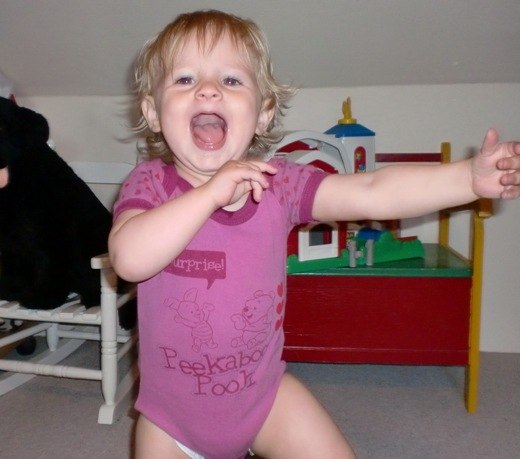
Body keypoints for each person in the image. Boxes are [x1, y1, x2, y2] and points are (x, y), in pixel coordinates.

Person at [109, 9, 520, 459]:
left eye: (230, 80)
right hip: (171, 422)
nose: (208, 89)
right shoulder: (149, 184)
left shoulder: (279, 183)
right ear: (153, 112)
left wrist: (466, 179)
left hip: (264, 402)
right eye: (185, 79)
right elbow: (129, 259)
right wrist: (208, 195)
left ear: (263, 113)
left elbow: (372, 191)